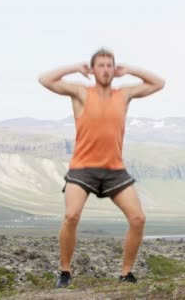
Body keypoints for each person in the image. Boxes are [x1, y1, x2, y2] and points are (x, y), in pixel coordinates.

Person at [38, 48, 165, 287]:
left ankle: (126, 273)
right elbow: (45, 79)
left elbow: (159, 83)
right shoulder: (80, 93)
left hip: (114, 170)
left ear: (114, 70)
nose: (105, 70)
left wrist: (129, 70)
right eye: (101, 65)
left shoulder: (124, 94)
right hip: (82, 169)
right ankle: (65, 272)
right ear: (93, 69)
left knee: (138, 218)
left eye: (110, 65)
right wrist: (76, 67)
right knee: (71, 215)